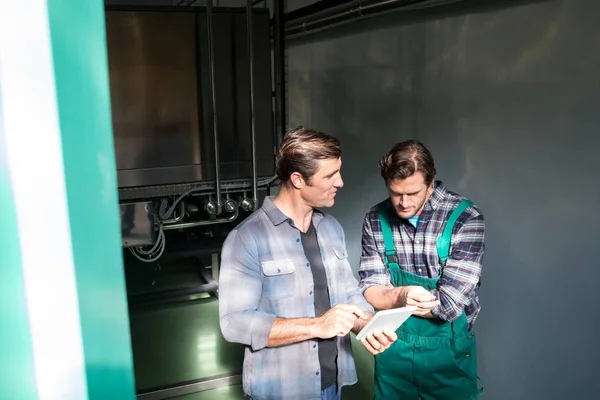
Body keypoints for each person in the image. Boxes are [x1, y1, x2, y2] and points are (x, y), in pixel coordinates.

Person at [218, 127, 397, 400]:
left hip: (332, 383)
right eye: (330, 175)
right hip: (282, 390)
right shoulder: (246, 238)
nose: (340, 182)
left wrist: (366, 324)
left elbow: (349, 292)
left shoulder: (330, 229)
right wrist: (316, 326)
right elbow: (235, 323)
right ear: (298, 179)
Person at [359, 139, 485, 400]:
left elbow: (448, 305)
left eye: (413, 193)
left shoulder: (466, 218)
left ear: (431, 182)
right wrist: (402, 295)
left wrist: (390, 298)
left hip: (448, 356)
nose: (403, 203)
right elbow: (369, 289)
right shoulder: (374, 219)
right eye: (395, 192)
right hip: (393, 351)